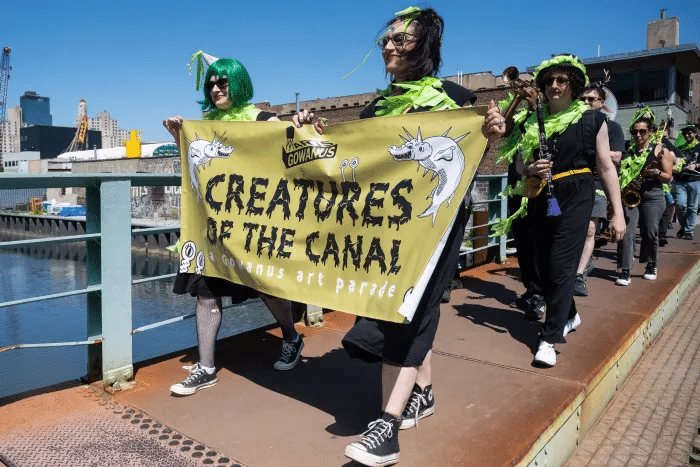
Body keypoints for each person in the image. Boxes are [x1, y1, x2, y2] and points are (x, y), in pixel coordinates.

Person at [294, 7, 476, 466]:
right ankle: (424, 392)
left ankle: (388, 424)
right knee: (397, 306)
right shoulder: (376, 109)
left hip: (436, 225)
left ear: (425, 47)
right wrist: (312, 136)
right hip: (387, 230)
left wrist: (493, 132)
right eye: (386, 41)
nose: (391, 47)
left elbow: (473, 153)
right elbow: (350, 165)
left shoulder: (456, 98)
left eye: (403, 40)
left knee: (414, 307)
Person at [163, 54, 303, 396]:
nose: (214, 88)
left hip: (255, 224)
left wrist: (300, 128)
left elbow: (292, 149)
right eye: (210, 83)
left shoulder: (262, 118)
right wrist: (179, 135)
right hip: (216, 227)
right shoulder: (208, 124)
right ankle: (206, 367)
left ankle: (291, 336)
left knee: (266, 286)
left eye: (221, 82)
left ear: (237, 84)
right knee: (206, 290)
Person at [484, 54, 626, 367]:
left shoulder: (592, 120)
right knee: (541, 266)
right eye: (549, 81)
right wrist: (529, 167)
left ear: (573, 85)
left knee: (561, 264)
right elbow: (517, 161)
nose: (554, 86)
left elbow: (605, 166)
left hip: (577, 191)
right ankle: (570, 313)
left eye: (561, 80)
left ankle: (549, 338)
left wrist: (618, 212)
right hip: (541, 194)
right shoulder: (530, 118)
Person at [573, 84, 625, 296]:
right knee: (555, 223)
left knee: (589, 230)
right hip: (565, 187)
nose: (586, 103)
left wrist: (597, 150)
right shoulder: (572, 123)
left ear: (602, 103)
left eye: (591, 99)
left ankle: (577, 275)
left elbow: (616, 158)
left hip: (596, 185)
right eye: (583, 99)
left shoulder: (612, 128)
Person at [615, 108, 674, 286]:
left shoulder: (660, 150)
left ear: (650, 132)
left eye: (642, 131)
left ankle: (651, 264)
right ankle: (625, 270)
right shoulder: (627, 150)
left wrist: (656, 172)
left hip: (652, 193)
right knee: (626, 232)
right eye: (635, 131)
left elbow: (668, 176)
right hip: (631, 194)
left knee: (649, 231)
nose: (638, 135)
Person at [675, 124, 700, 240]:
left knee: (692, 207)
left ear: (695, 133)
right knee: (680, 205)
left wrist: (696, 165)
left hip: (695, 180)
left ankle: (688, 231)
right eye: (684, 133)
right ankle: (684, 226)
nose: (686, 135)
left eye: (689, 133)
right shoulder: (681, 147)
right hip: (681, 180)